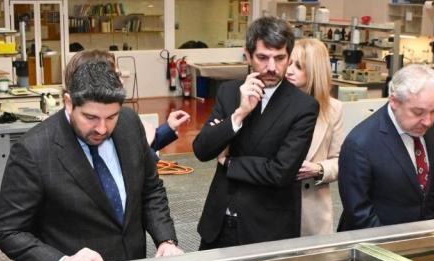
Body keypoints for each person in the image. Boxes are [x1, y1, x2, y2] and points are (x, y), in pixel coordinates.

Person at [0, 59, 182, 261]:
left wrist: (165, 240)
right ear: (68, 102)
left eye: (111, 117)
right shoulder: (33, 149)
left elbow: (150, 190)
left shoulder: (129, 123)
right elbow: (8, 231)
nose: (102, 128)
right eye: (90, 117)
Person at [193, 16, 318, 249]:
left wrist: (229, 162)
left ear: (289, 57)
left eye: (279, 58)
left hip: (266, 229)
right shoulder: (230, 92)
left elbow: (281, 172)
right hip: (218, 223)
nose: (272, 67)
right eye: (262, 58)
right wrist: (239, 114)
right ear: (248, 56)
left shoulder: (303, 107)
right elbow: (202, 150)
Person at [337, 64, 434, 231]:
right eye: (418, 112)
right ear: (394, 101)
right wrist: (391, 243)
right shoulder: (360, 144)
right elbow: (359, 213)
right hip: (375, 239)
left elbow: (432, 185)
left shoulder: (433, 128)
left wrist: (424, 231)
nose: (428, 121)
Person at [63, 50, 190, 159]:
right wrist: (144, 145)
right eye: (115, 76)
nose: (122, 81)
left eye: (111, 117)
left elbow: (137, 144)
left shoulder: (126, 116)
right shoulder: (60, 143)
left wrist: (168, 128)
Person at [285, 38, 343, 236]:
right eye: (289, 63)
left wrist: (319, 169)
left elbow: (340, 160)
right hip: (273, 201)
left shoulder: (333, 109)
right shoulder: (274, 103)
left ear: (315, 71)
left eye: (298, 66)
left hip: (312, 205)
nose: (289, 71)